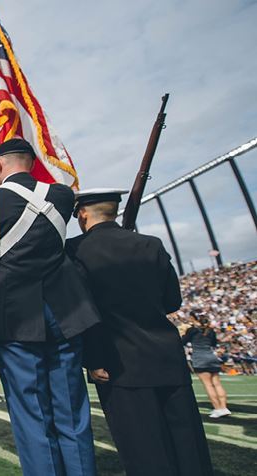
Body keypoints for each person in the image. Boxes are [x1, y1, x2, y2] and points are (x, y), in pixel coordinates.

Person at [0, 139, 100, 476]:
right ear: (32, 161)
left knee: (31, 414)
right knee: (71, 409)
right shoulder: (62, 195)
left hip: (14, 315)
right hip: (66, 313)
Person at [67, 188, 213, 475]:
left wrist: (94, 358)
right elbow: (172, 300)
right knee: (187, 446)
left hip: (119, 362)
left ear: (82, 213)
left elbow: (85, 309)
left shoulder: (75, 250)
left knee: (143, 450)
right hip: (167, 357)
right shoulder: (151, 244)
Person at [183, 315, 230, 418]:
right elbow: (213, 343)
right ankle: (224, 407)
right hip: (211, 357)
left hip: (200, 358)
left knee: (208, 385)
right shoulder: (211, 331)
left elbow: (183, 341)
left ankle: (217, 409)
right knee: (217, 384)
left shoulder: (193, 330)